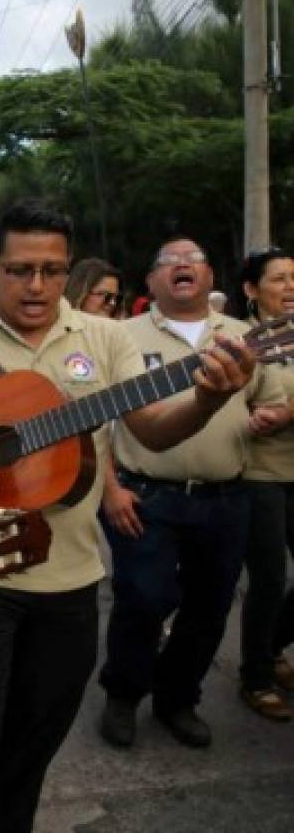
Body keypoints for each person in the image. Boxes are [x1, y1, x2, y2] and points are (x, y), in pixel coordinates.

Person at [0, 200, 259, 833]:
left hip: (69, 579)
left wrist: (207, 399)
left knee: (33, 744)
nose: (36, 286)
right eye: (19, 270)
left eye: (52, 270)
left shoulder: (104, 337)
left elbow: (151, 431)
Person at [97, 237, 288, 749]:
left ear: (210, 278)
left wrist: (269, 417)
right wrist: (110, 488)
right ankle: (122, 693)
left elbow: (268, 404)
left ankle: (177, 699)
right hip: (145, 495)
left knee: (209, 606)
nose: (182, 266)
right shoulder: (119, 337)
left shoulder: (248, 337)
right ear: (153, 281)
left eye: (194, 260)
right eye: (168, 262)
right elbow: (95, 424)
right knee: (144, 598)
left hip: (226, 497)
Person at [231, 247, 294, 720]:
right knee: (269, 578)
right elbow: (237, 409)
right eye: (279, 279)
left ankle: (271, 646)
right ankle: (255, 677)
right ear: (252, 290)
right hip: (261, 477)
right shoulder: (243, 343)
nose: (290, 287)